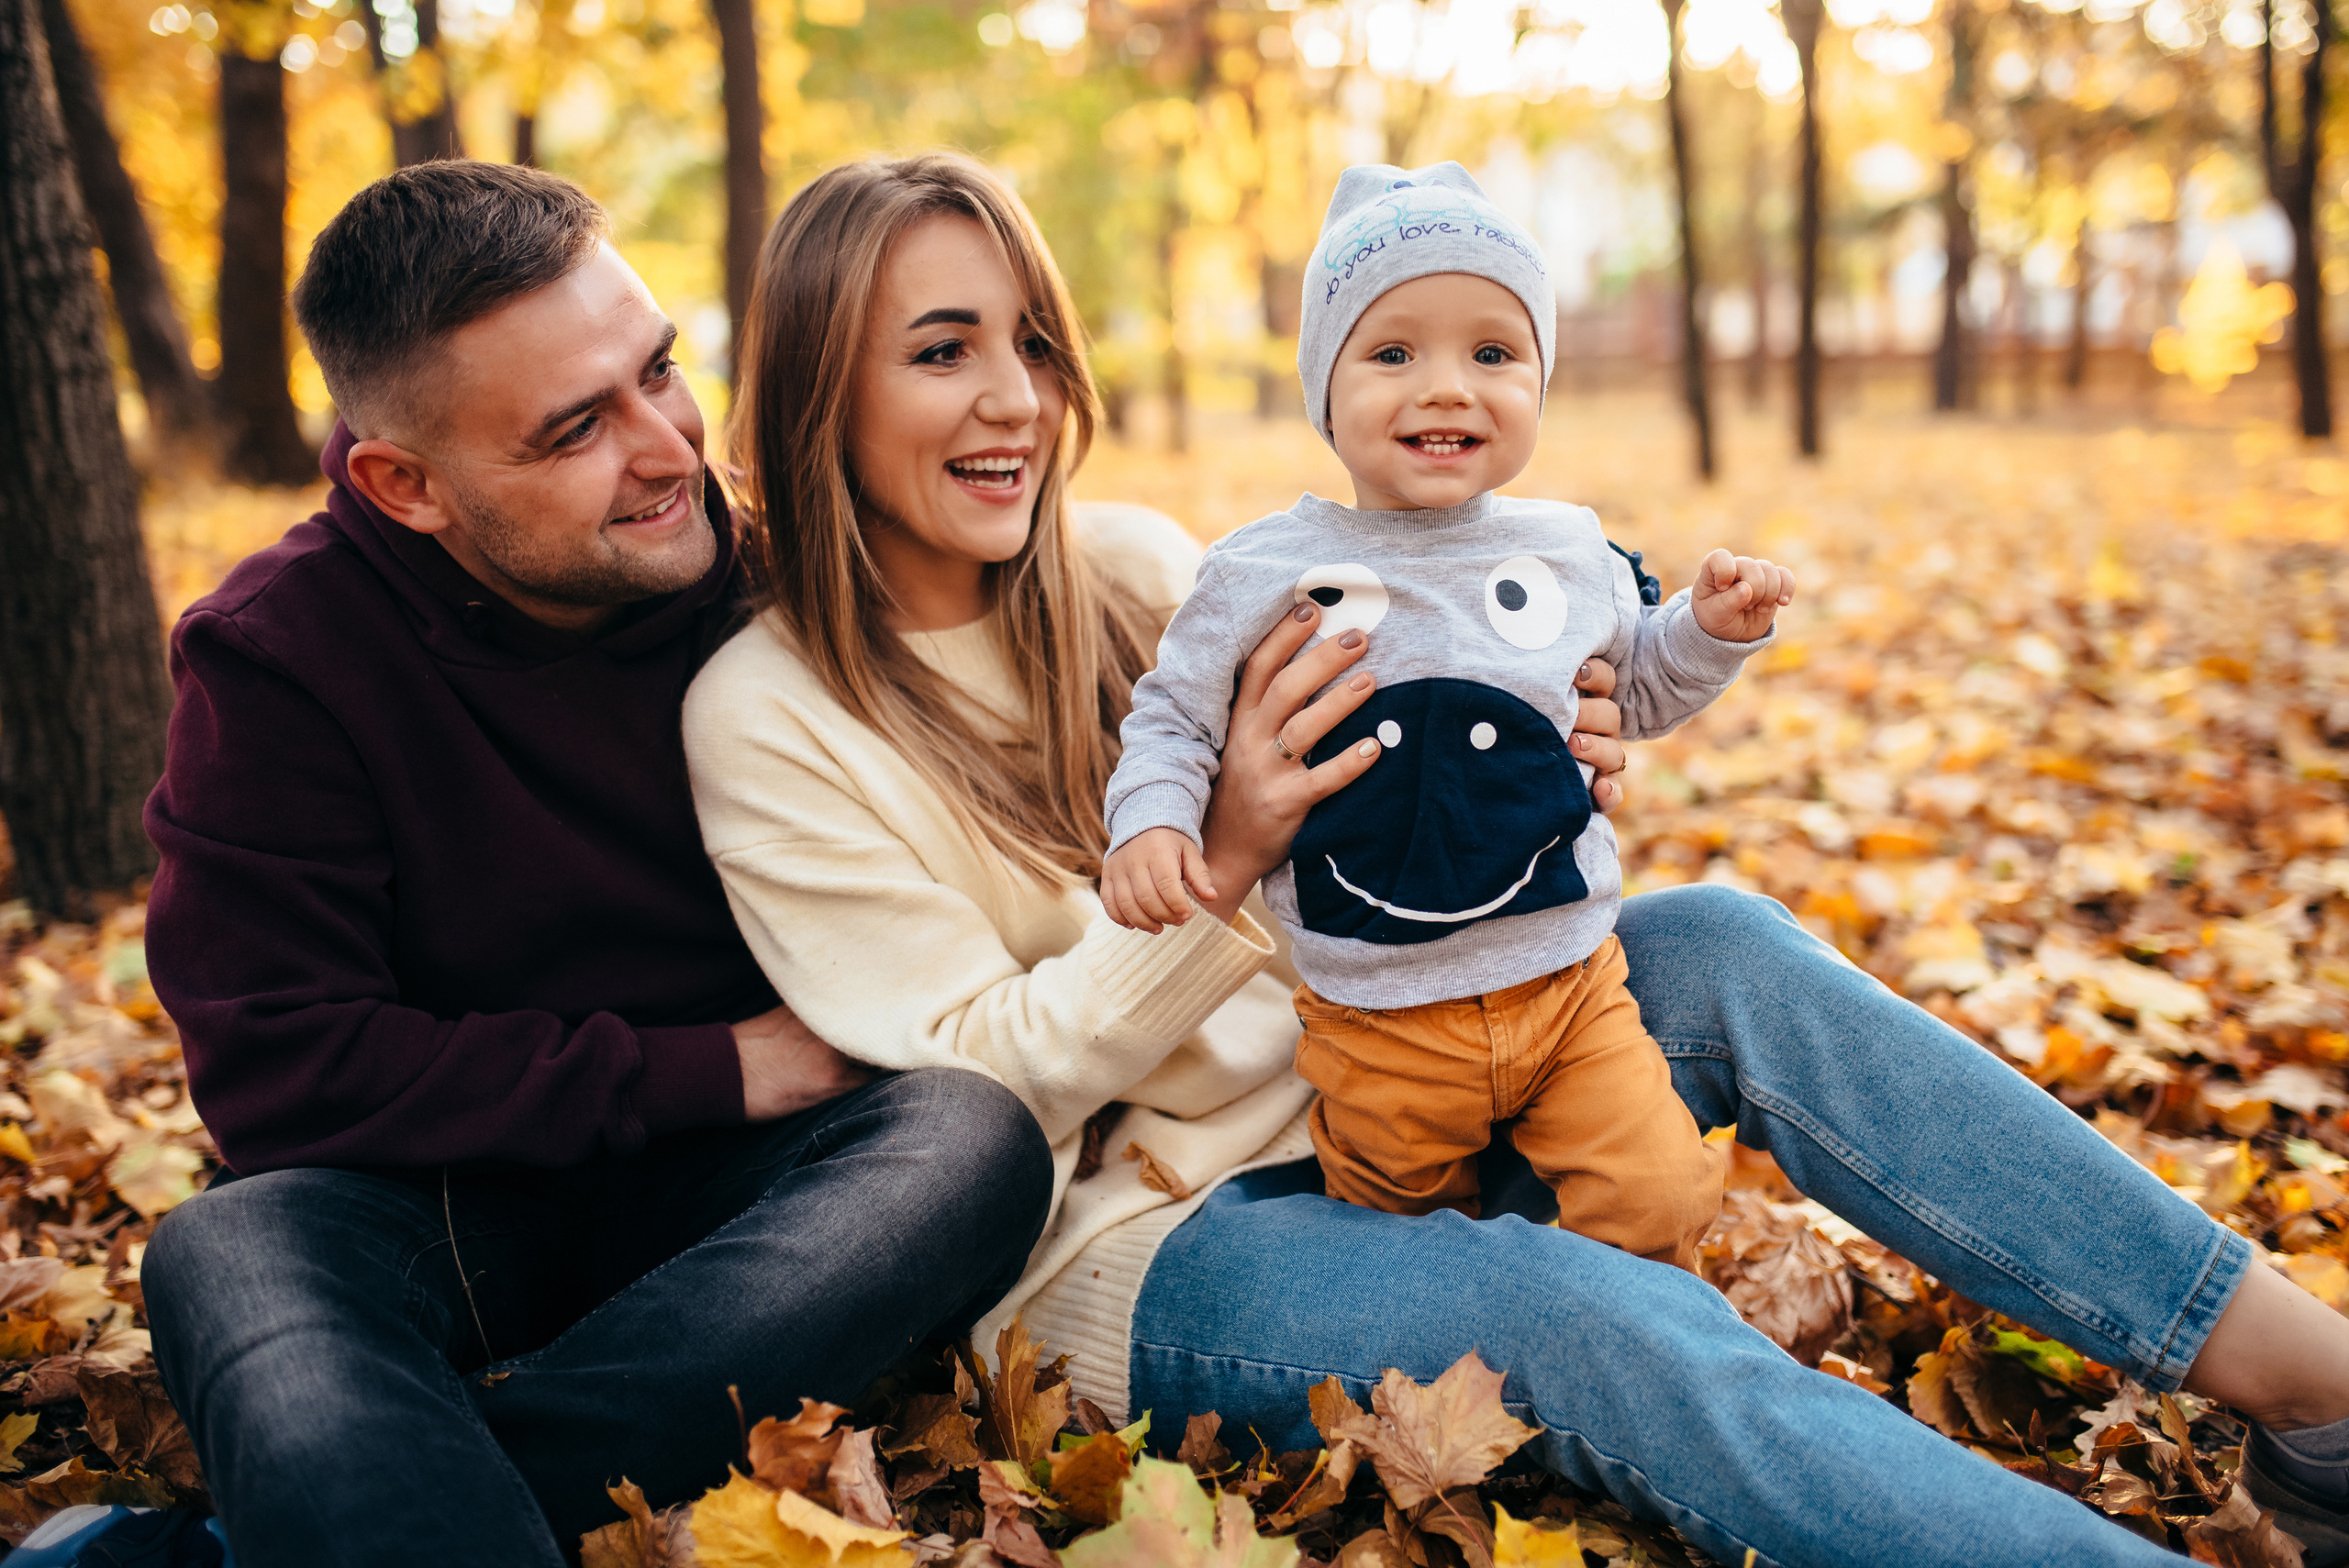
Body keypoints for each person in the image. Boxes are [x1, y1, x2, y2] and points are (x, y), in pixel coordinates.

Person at [684, 148, 2349, 1568]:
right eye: (942, 350)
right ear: (822, 384)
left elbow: (1429, 762)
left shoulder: (1135, 566)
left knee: (1728, 941)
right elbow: (968, 1096)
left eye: (1033, 341)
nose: (1014, 399)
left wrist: (1573, 731)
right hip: (1142, 1241)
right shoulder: (769, 713)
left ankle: (2319, 1391)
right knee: (1581, 1313)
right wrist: (1232, 851)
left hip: (1395, 1057)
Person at [136, 161, 1054, 1566]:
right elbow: (277, 1072)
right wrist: (714, 1066)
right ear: (408, 484)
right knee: (226, 1250)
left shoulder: (772, 577)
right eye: (574, 429)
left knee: (968, 1140)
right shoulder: (281, 657)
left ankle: (381, 1510)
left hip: (749, 1196)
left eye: (659, 373)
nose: (667, 447)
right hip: (440, 1201)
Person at [1098, 161, 1798, 1271]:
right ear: (1325, 384)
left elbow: (1639, 693)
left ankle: (1626, 1332)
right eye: (1391, 353)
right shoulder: (1260, 568)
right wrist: (1151, 823)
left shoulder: (1568, 548)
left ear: (1537, 380)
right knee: (1403, 1245)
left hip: (1571, 989)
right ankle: (1455, 1405)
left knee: (1660, 1196)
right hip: (1378, 1021)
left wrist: (1709, 632)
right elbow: (1175, 716)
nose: (1446, 389)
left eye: (1491, 353)